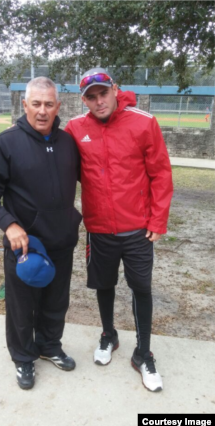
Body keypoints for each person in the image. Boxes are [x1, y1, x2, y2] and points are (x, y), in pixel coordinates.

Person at [65, 67, 173, 392]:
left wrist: (157, 220)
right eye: (91, 97)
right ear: (84, 100)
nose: (99, 102)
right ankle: (108, 335)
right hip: (99, 229)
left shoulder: (144, 122)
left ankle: (143, 353)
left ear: (114, 89)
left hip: (138, 230)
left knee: (141, 287)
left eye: (103, 93)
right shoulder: (75, 128)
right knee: (104, 284)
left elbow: (161, 174)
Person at [0, 77, 82, 390]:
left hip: (61, 240)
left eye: (49, 104)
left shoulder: (67, 143)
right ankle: (23, 358)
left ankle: (49, 345)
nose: (43, 111)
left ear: (58, 106)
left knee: (56, 302)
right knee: (21, 307)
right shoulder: (6, 143)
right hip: (26, 246)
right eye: (36, 103)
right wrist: (9, 223)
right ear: (25, 105)